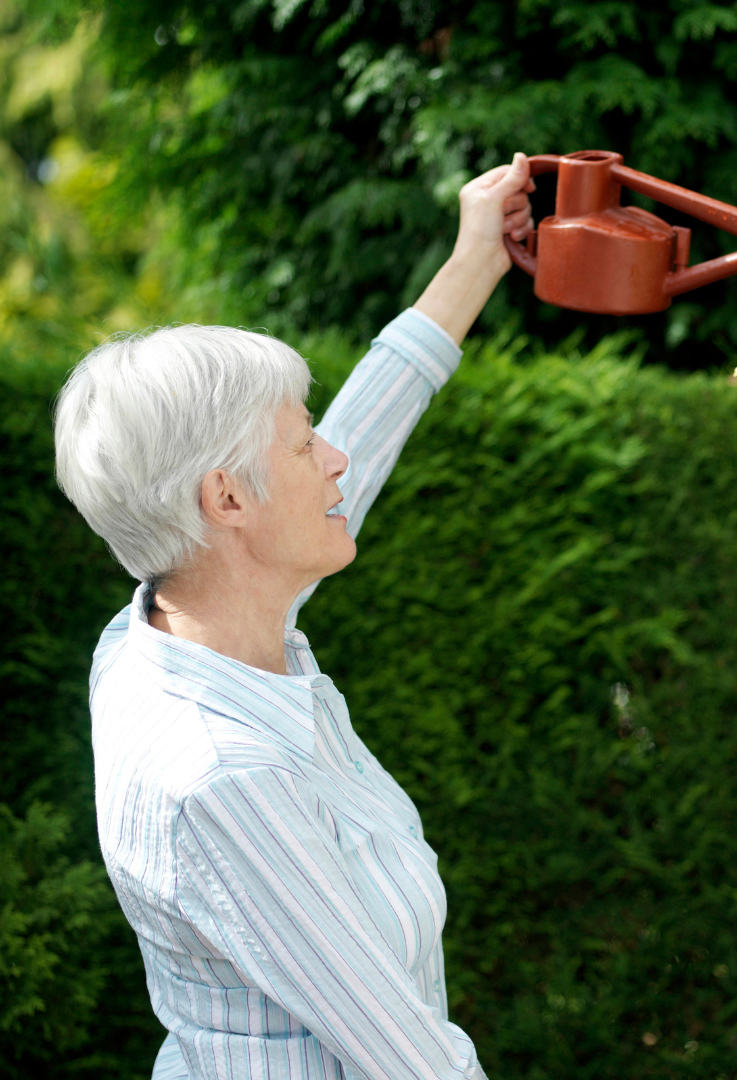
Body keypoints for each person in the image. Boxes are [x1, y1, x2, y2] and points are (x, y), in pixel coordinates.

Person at [53, 154, 537, 1080]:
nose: (335, 461)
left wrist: (477, 258)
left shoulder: (166, 626)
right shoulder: (222, 777)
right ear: (229, 499)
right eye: (303, 440)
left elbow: (365, 435)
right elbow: (410, 1060)